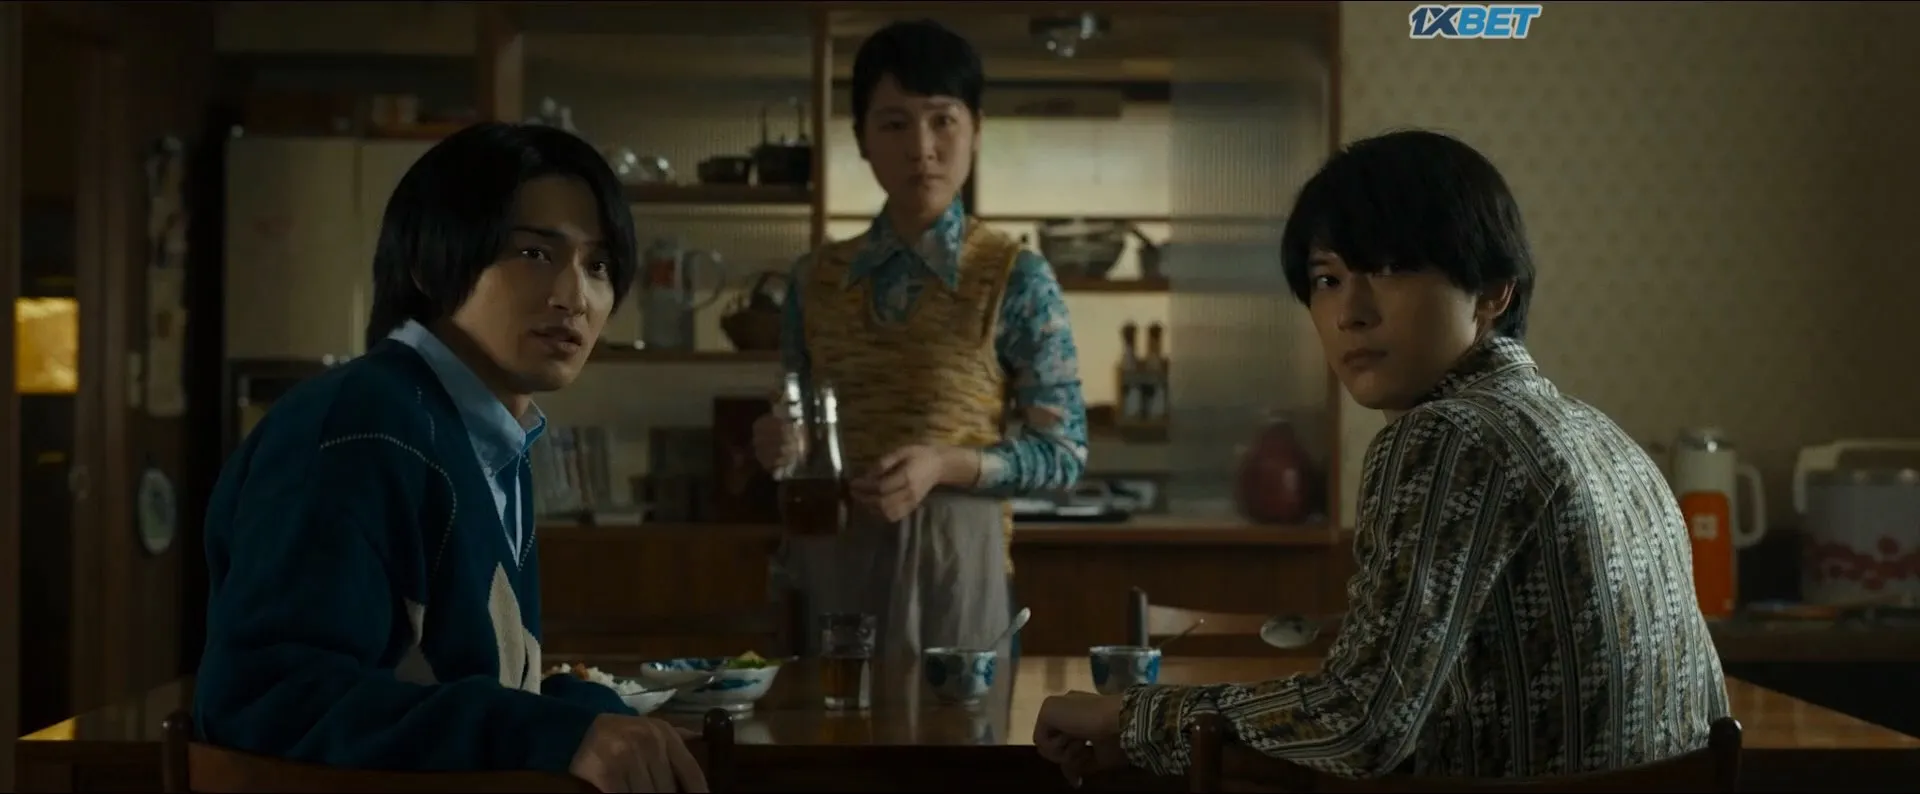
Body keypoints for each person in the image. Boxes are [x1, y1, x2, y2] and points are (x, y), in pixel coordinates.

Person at [1033, 130, 1729, 781]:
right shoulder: (1602, 435)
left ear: (1492, 290)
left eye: (1390, 268)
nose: (1350, 313)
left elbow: (1361, 721)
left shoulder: (1451, 436)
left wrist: (1128, 717)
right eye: (1327, 279)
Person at [193, 122, 708, 793]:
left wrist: (586, 717)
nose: (574, 297)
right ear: (429, 262)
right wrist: (551, 734)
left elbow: (468, 682)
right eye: (533, 252)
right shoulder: (365, 427)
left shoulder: (482, 433)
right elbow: (268, 700)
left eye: (599, 265)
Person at [750, 19, 1089, 659]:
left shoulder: (1015, 276)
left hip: (956, 572)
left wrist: (946, 464)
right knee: (827, 725)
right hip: (831, 567)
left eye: (942, 120)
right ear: (861, 138)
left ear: (976, 130)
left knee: (959, 726)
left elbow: (1064, 454)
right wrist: (782, 442)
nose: (921, 148)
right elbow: (796, 422)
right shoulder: (814, 279)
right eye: (894, 123)